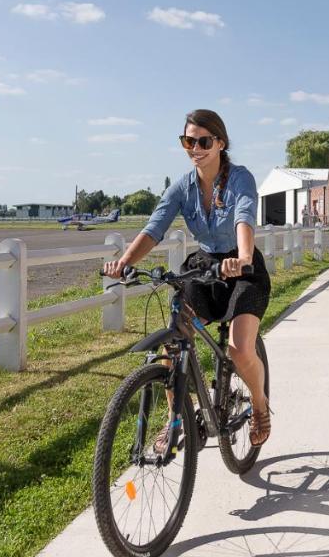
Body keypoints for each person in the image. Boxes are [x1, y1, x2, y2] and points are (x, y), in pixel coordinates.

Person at [102, 109, 272, 447]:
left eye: (203, 141)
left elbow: (244, 216)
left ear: (220, 143)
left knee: (240, 351)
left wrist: (243, 257)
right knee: (173, 342)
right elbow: (155, 228)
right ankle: (174, 419)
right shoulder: (183, 186)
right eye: (188, 141)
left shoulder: (239, 178)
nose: (195, 147)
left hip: (242, 269)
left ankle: (260, 405)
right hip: (204, 265)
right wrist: (123, 261)